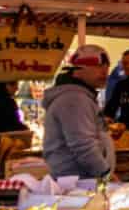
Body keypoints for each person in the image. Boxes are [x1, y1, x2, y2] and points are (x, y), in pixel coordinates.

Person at [41, 45, 114, 179]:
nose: (105, 71)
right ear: (78, 70)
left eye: (107, 66)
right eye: (98, 66)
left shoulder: (80, 96)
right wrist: (105, 174)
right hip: (77, 184)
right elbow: (83, 145)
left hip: (80, 180)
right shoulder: (74, 99)